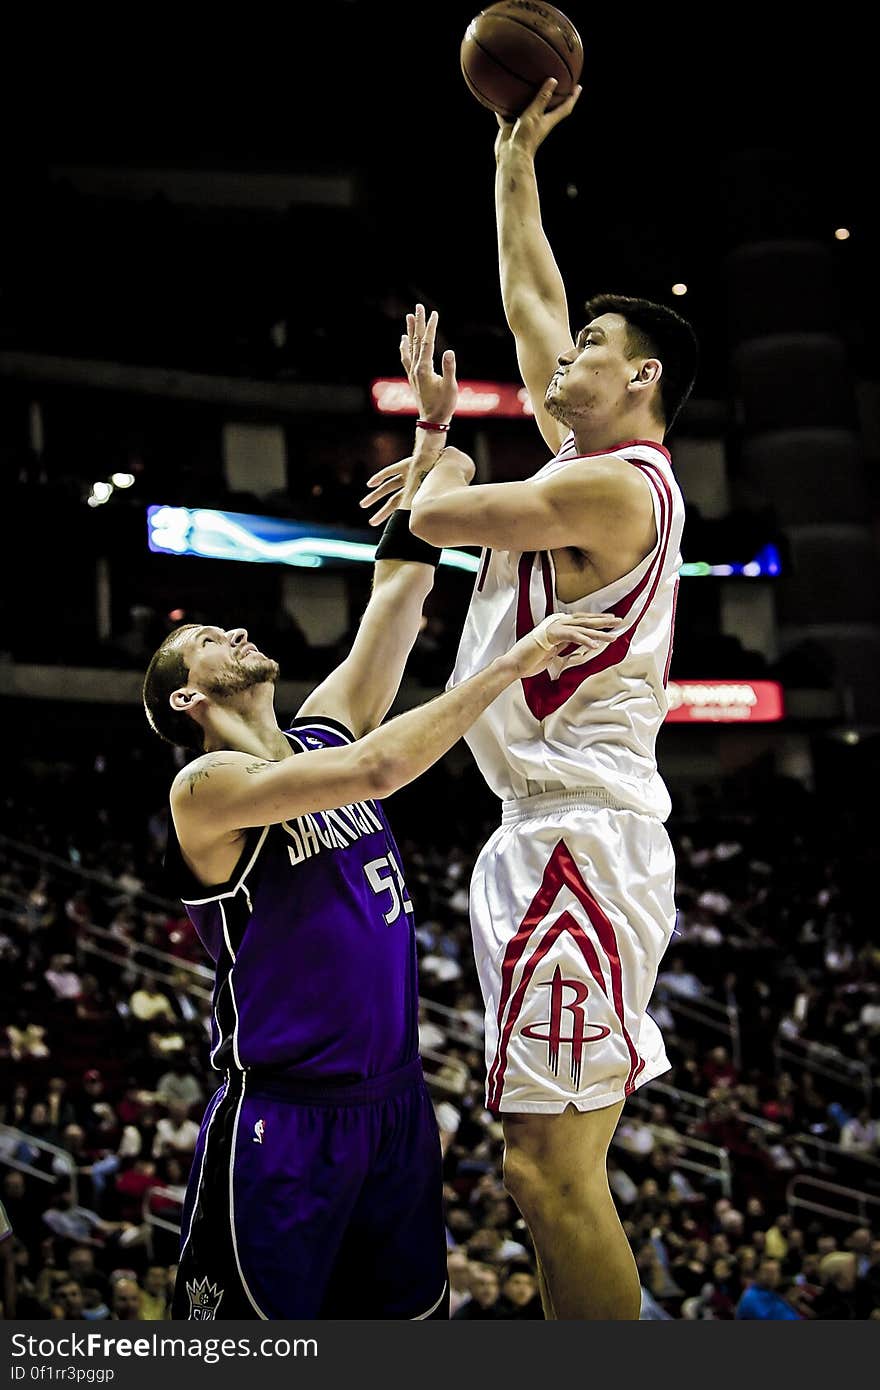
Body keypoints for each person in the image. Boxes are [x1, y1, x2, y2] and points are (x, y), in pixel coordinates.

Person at [361, 78, 697, 1322]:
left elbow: (434, 511)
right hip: (541, 827)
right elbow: (528, 296)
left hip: (581, 834)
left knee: (552, 1177)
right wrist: (512, 157)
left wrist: (438, 438)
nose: (563, 360)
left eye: (590, 355)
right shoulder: (590, 457)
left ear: (643, 375)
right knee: (535, 1177)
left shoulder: (618, 489)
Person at [142, 477, 617, 1321]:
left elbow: (399, 591)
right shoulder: (205, 787)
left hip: (393, 1106)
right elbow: (378, 770)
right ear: (190, 698)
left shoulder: (323, 728)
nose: (239, 630)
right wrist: (511, 663)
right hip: (283, 1121)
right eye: (212, 638)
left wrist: (433, 457)